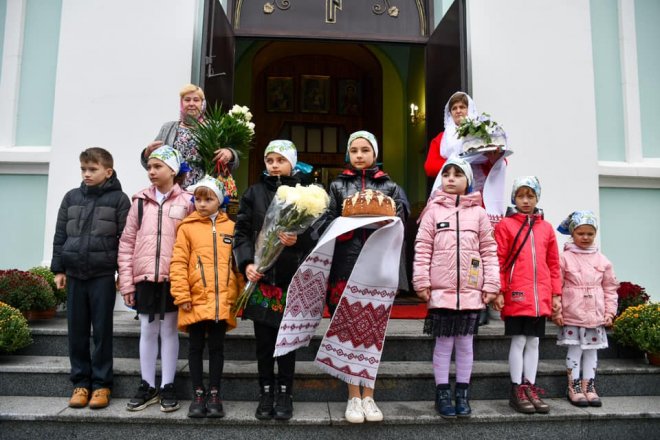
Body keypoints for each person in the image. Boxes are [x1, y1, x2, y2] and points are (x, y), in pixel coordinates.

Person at [325, 131, 409, 423]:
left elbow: (401, 221)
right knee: (348, 331)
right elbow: (326, 221)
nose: (359, 155)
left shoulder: (390, 186)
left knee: (373, 332)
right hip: (345, 266)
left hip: (378, 266)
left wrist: (390, 220)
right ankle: (353, 396)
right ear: (348, 154)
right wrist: (343, 227)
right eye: (354, 150)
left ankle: (369, 395)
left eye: (365, 150)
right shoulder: (337, 185)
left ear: (375, 153)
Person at [412, 157, 499, 418]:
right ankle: (442, 393)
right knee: (443, 344)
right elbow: (422, 248)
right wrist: (421, 280)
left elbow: (489, 250)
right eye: (446, 174)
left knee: (465, 344)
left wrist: (491, 283)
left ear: (468, 181)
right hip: (442, 292)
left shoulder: (479, 213)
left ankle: (462, 392)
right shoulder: (433, 211)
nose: (450, 178)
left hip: (471, 292)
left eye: (457, 174)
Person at [234, 140, 313, 421]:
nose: (275, 165)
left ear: (292, 162)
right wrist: (247, 263)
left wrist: (298, 239)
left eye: (281, 160)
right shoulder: (253, 193)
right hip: (262, 280)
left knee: (287, 340)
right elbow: (241, 232)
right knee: (264, 342)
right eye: (270, 160)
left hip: (291, 279)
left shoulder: (306, 194)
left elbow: (318, 232)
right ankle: (266, 391)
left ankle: (285, 392)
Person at [51, 147, 131, 409]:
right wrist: (59, 269)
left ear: (108, 172)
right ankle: (80, 383)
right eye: (83, 169)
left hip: (102, 275)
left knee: (102, 331)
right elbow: (60, 235)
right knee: (76, 331)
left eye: (93, 169)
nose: (86, 174)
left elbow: (126, 240)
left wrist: (123, 273)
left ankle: (101, 385)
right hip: (75, 274)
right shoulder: (71, 197)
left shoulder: (119, 200)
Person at [117, 146, 194, 413]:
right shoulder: (139, 202)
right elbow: (127, 243)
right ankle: (148, 385)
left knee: (169, 330)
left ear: (173, 170)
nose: (151, 171)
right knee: (148, 329)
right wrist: (127, 282)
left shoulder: (188, 201)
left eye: (158, 166)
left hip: (174, 277)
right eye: (149, 167)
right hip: (146, 277)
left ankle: (168, 385)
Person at [169, 175, 240, 418]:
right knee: (196, 347)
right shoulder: (187, 228)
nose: (201, 204)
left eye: (208, 199)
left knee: (217, 348)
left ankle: (215, 393)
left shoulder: (231, 228)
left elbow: (237, 266)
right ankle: (198, 393)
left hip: (221, 300)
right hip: (195, 298)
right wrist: (181, 294)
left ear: (219, 201)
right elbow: (178, 263)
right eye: (198, 199)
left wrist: (239, 295)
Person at [492, 176, 561, 414]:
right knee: (519, 340)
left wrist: (556, 294)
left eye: (530, 196)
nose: (525, 201)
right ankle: (516, 389)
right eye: (521, 196)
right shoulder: (505, 225)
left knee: (534, 341)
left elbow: (553, 264)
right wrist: (499, 290)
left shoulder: (546, 228)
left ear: (537, 198)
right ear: (514, 198)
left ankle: (529, 386)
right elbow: (499, 260)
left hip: (539, 296)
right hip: (517, 293)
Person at [554, 211, 618, 407]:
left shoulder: (603, 260)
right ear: (572, 233)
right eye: (580, 233)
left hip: (595, 315)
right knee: (575, 350)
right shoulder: (564, 258)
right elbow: (556, 286)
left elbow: (610, 288)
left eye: (590, 233)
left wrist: (610, 312)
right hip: (573, 314)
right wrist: (557, 311)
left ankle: (589, 386)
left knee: (591, 352)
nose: (585, 237)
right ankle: (573, 386)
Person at [141, 84, 239, 188]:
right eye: (187, 100)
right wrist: (147, 154)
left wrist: (230, 153)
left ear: (202, 103)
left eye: (196, 100)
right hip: (174, 190)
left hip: (204, 192)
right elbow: (152, 164)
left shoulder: (215, 127)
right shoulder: (168, 128)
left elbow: (234, 163)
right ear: (181, 103)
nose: (191, 103)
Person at [424, 91, 478, 180]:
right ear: (450, 113)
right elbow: (430, 167)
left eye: (462, 107)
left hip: (478, 183)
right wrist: (459, 165)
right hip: (450, 184)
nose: (458, 111)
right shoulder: (441, 138)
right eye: (454, 108)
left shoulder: (480, 134)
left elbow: (492, 162)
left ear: (469, 109)